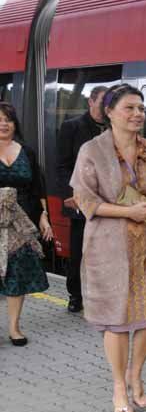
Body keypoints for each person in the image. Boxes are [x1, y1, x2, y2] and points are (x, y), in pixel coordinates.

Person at [70, 84, 146, 412]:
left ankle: (135, 373)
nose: (137, 114)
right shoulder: (92, 150)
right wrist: (129, 212)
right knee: (116, 320)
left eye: (141, 108)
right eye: (129, 108)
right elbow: (85, 199)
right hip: (109, 249)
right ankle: (119, 387)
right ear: (109, 113)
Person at [0, 102, 52, 346]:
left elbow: (37, 187)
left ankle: (14, 328)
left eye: (8, 119)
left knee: (17, 274)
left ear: (15, 124)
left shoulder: (27, 152)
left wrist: (44, 216)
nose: (4, 124)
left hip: (22, 221)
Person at [56, 85, 108, 313]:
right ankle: (75, 295)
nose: (106, 107)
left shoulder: (114, 128)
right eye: (103, 102)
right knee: (79, 251)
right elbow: (62, 166)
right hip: (80, 201)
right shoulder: (72, 127)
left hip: (108, 202)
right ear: (91, 102)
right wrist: (73, 195)